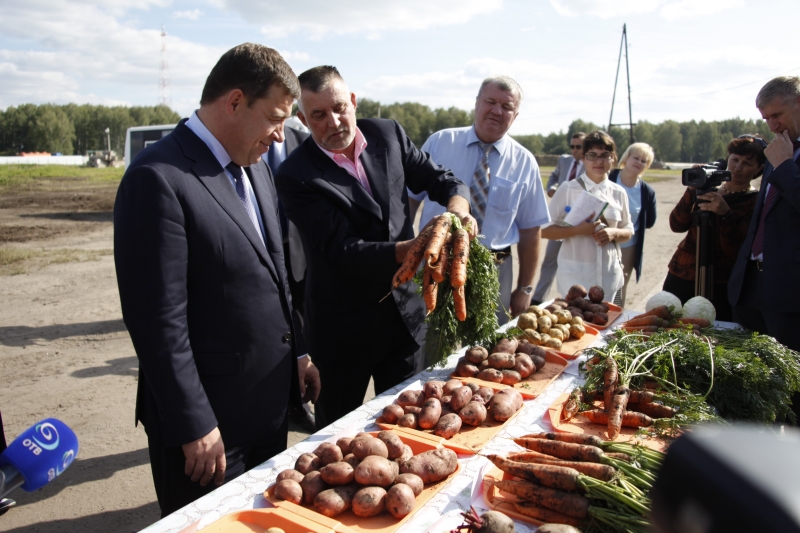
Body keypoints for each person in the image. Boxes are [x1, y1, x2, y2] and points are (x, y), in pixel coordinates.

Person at [114, 43, 320, 517]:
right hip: (208, 433)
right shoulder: (158, 177)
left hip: (266, 412)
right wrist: (193, 422)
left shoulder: (256, 168)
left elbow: (276, 275)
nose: (281, 135)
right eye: (275, 118)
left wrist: (298, 352)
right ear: (234, 102)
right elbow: (157, 321)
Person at [274, 66, 475, 430]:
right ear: (302, 119)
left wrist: (458, 210)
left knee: (408, 424)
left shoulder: (388, 134)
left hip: (405, 320)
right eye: (318, 115)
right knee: (337, 435)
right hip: (342, 330)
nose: (334, 122)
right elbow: (344, 251)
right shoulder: (295, 174)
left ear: (353, 101)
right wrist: (417, 247)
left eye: (340, 108)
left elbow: (440, 179)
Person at [409, 76, 550, 323]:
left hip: (494, 270)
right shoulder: (440, 142)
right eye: (490, 102)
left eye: (507, 106)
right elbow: (410, 201)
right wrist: (403, 257)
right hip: (436, 264)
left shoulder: (525, 162)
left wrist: (525, 288)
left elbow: (530, 230)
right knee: (426, 337)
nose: (497, 111)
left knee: (489, 342)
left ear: (516, 115)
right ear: (476, 103)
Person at [729, 76, 800, 353]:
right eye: (766, 118)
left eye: (777, 115)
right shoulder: (779, 149)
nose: (772, 126)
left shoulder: (781, 156)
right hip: (751, 287)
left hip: (790, 294)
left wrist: (785, 165)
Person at [664, 136, 765, 322]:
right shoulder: (708, 190)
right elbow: (677, 225)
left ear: (759, 169)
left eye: (747, 163)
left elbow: (736, 251)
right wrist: (692, 190)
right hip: (683, 274)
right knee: (670, 325)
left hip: (720, 282)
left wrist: (725, 214)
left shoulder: (755, 202)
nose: (738, 167)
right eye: (734, 160)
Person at [541, 130, 633, 298]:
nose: (599, 161)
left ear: (613, 158)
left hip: (608, 277)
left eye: (605, 155)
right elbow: (544, 230)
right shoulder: (568, 189)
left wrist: (613, 233)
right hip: (575, 278)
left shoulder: (619, 192)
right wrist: (577, 230)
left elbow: (628, 230)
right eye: (592, 155)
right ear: (583, 158)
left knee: (608, 315)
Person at [266, 123, 316, 432]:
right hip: (260, 251)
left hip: (298, 252)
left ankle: (300, 402)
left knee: (300, 328)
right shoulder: (245, 142)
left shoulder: (305, 142)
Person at [532, 132, 585, 304]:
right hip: (559, 220)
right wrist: (551, 188)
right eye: (572, 146)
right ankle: (538, 299)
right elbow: (554, 176)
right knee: (550, 260)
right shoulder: (564, 160)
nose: (574, 150)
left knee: (575, 264)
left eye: (578, 146)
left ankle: (576, 302)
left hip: (580, 222)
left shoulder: (591, 167)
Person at [608, 142, 657, 307]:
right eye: (636, 157)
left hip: (628, 246)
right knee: (596, 284)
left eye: (644, 161)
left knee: (619, 286)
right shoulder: (608, 177)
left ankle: (615, 317)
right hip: (601, 241)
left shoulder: (647, 191)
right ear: (627, 157)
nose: (639, 162)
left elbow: (650, 221)